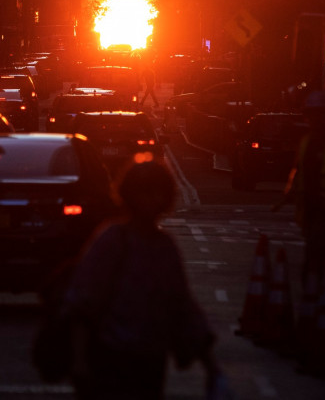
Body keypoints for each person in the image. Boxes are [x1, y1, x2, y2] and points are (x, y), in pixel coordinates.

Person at [61, 154, 225, 400]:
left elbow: (181, 304)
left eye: (156, 193)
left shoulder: (164, 246)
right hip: (110, 357)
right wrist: (80, 361)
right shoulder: (112, 240)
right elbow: (82, 304)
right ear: (129, 195)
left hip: (151, 361)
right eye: (143, 192)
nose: (150, 200)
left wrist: (211, 366)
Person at [274, 90, 325, 283]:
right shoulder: (306, 142)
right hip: (310, 209)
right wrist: (289, 194)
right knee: (316, 253)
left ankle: (321, 294)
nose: (315, 119)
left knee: (319, 257)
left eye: (320, 114)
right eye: (312, 114)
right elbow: (298, 170)